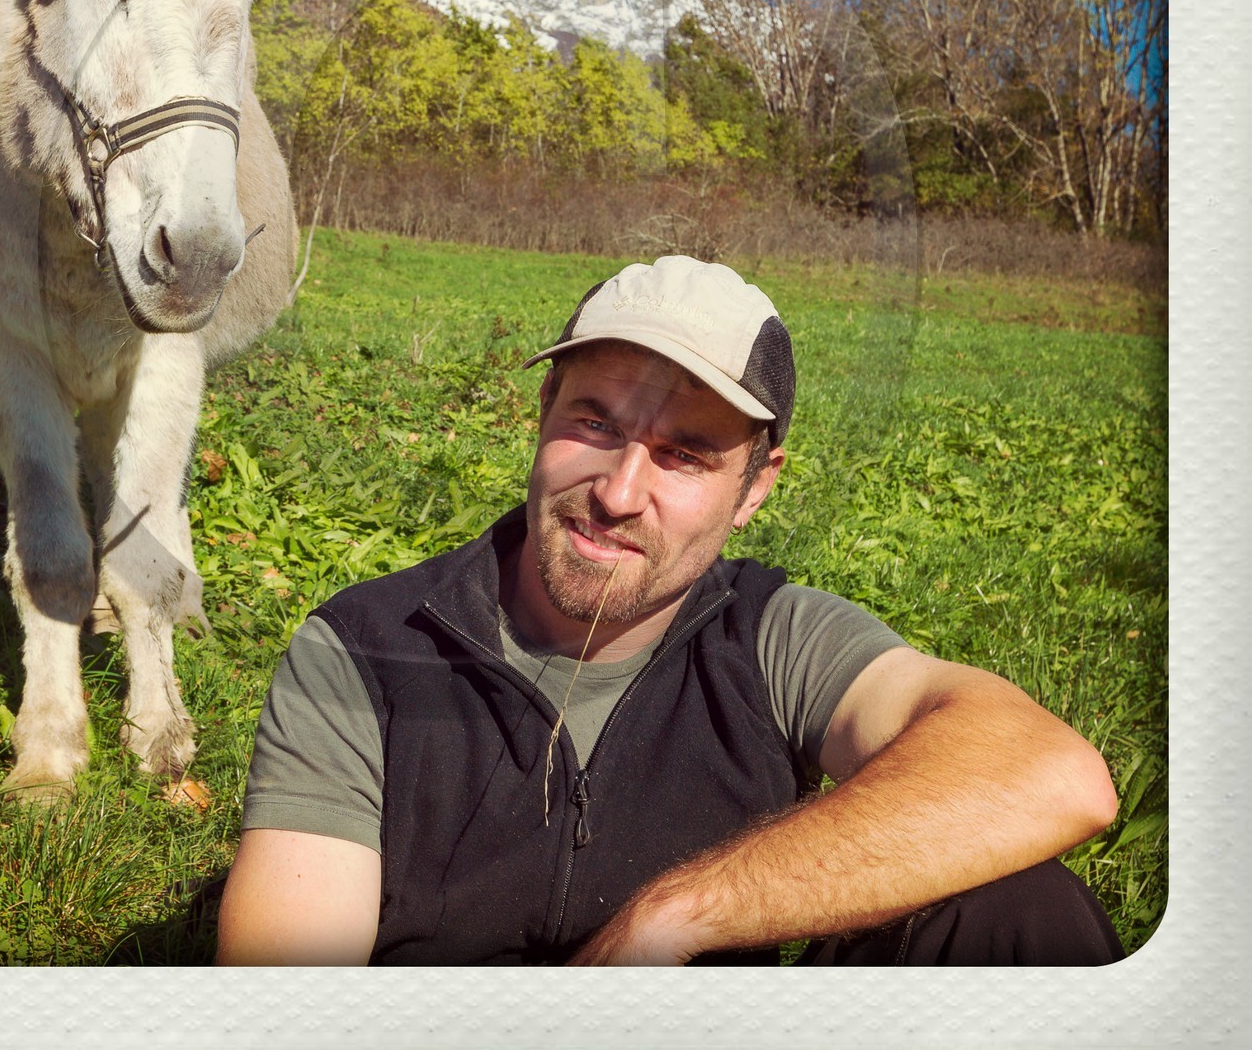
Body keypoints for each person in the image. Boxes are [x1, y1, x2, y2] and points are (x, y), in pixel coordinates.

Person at [214, 256, 1124, 966]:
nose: (618, 492)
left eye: (684, 455)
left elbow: (1053, 776)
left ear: (755, 488)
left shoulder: (774, 640)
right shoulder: (368, 654)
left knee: (1017, 912)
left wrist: (673, 916)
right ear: (542, 413)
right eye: (596, 424)